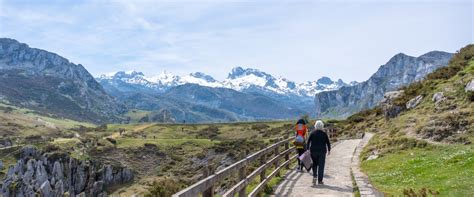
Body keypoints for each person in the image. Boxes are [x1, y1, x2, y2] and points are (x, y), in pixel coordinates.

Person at [306, 120, 331, 185]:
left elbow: (308, 142)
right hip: (322, 152)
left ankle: (314, 176)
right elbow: (328, 142)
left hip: (313, 151)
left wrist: (307, 149)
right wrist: (329, 150)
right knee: (321, 166)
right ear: (322, 126)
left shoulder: (312, 133)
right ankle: (320, 180)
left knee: (314, 164)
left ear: (315, 126)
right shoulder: (324, 134)